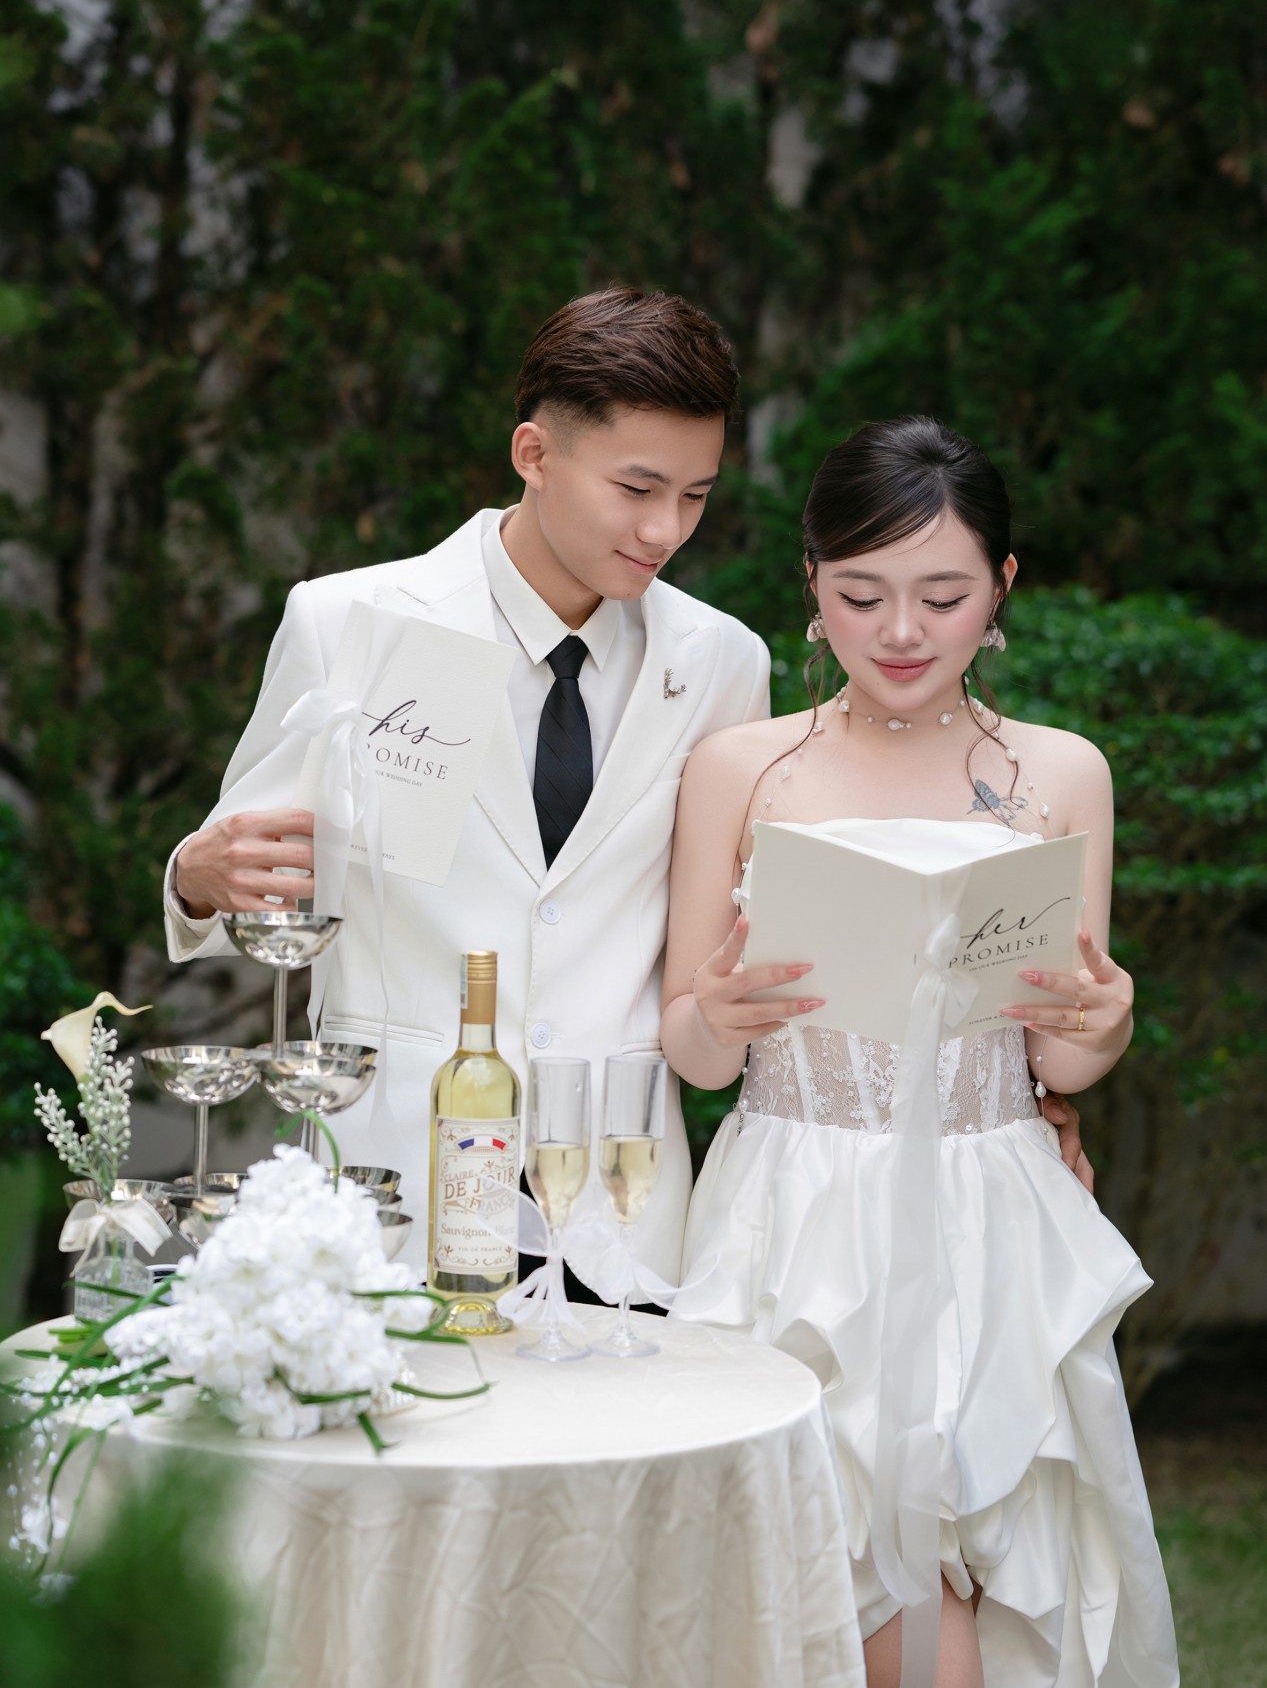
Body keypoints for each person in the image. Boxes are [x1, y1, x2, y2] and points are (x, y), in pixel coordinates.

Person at [661, 418, 1178, 1687]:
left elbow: (1060, 1059)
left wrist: (1102, 1025)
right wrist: (716, 1010)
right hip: (796, 1203)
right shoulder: (742, 767)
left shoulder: (1058, 772)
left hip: (992, 1208)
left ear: (1000, 588)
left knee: (981, 1581)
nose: (900, 631)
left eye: (942, 596)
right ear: (811, 584)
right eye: (860, 594)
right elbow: (692, 1051)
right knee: (816, 1584)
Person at [163, 287, 770, 1278]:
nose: (665, 529)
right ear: (534, 454)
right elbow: (242, 871)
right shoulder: (350, 620)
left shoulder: (722, 662)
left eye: (696, 496)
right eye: (636, 488)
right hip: (391, 1180)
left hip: (612, 1195)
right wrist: (195, 875)